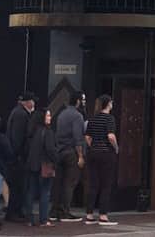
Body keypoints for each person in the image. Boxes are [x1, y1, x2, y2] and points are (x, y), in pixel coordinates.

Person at [84, 95, 119, 226]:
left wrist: (93, 146)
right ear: (108, 104)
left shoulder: (92, 118)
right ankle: (103, 215)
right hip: (106, 154)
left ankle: (89, 214)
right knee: (106, 185)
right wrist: (116, 147)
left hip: (93, 153)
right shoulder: (110, 118)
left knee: (93, 184)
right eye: (111, 102)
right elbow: (111, 136)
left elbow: (87, 137)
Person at [52, 91, 86, 222]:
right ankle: (65, 211)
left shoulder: (62, 114)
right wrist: (81, 156)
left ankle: (55, 209)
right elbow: (78, 138)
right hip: (71, 152)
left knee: (58, 182)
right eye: (82, 100)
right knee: (70, 182)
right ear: (77, 101)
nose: (84, 102)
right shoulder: (77, 116)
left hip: (60, 151)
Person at [5, 91, 36, 222]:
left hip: (15, 156)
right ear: (27, 102)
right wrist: (19, 154)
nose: (34, 103)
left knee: (17, 186)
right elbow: (18, 137)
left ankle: (16, 211)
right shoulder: (21, 115)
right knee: (18, 186)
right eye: (32, 101)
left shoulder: (17, 112)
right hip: (18, 157)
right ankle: (14, 212)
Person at [26, 109, 58, 227]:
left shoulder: (33, 131)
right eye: (48, 115)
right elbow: (50, 149)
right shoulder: (48, 132)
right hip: (45, 165)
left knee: (31, 192)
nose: (50, 117)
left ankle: (29, 218)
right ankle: (43, 219)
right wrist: (56, 159)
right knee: (45, 192)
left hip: (33, 164)